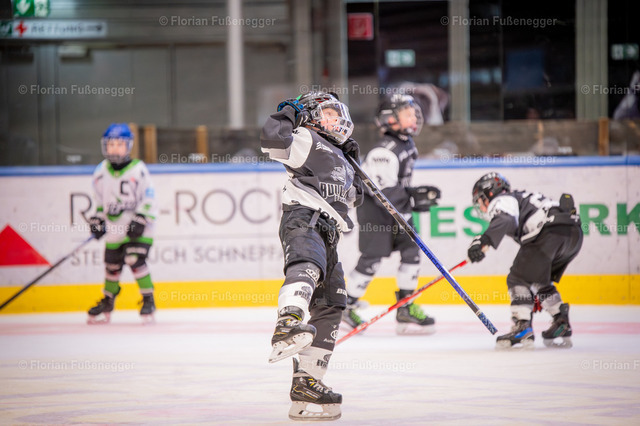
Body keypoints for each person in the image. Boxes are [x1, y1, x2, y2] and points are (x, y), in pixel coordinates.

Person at [261, 91, 363, 421]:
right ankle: (287, 322)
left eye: (337, 112)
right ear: (314, 117)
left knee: (333, 302)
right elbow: (273, 142)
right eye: (328, 113)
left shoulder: (342, 156)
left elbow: (353, 198)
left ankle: (307, 381)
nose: (336, 118)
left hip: (330, 231)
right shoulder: (308, 139)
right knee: (308, 265)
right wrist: (290, 114)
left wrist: (353, 163)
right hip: (304, 217)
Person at [342, 94, 441, 335]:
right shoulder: (383, 152)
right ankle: (346, 306)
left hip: (396, 208)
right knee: (372, 258)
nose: (414, 117)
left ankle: (405, 306)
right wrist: (411, 198)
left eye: (413, 113)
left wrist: (410, 195)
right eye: (407, 114)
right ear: (390, 119)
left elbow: (395, 187)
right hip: (375, 212)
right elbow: (382, 192)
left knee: (411, 251)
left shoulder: (406, 143)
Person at [468, 172, 583, 349]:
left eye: (481, 201)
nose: (482, 208)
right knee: (537, 279)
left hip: (550, 232)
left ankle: (522, 326)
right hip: (574, 234)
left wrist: (483, 241)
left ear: (490, 193)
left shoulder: (502, 199)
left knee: (518, 279)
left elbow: (504, 218)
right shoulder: (522, 198)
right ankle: (561, 320)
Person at [87, 123, 157, 324]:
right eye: (111, 144)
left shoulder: (138, 169)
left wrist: (141, 217)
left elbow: (149, 197)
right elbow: (100, 202)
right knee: (112, 265)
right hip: (115, 228)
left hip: (139, 226)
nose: (115, 148)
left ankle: (148, 299)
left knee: (134, 259)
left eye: (119, 144)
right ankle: (108, 301)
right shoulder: (101, 171)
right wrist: (98, 219)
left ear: (128, 146)